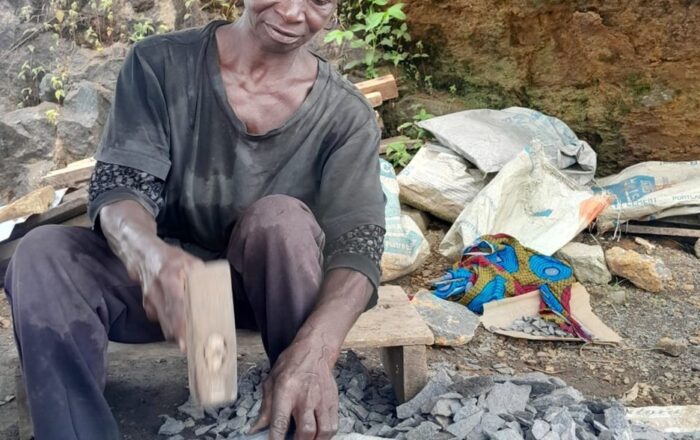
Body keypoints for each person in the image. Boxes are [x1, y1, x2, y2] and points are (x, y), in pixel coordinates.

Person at [3, 0, 386, 438]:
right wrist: (149, 257)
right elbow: (121, 187)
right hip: (159, 293)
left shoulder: (345, 115)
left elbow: (359, 247)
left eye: (317, 0)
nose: (293, 12)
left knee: (281, 220)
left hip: (260, 296)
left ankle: (294, 406)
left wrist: (316, 350)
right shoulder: (159, 64)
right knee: (42, 254)